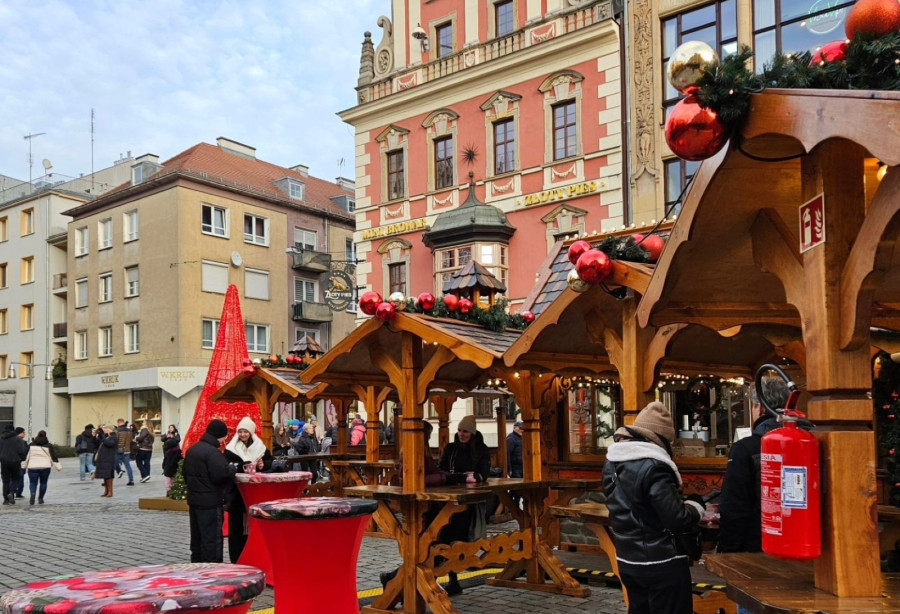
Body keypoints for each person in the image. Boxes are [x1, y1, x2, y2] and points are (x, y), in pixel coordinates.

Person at [602, 401, 704, 614]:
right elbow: (676, 518)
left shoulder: (612, 462)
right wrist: (696, 507)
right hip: (661, 562)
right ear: (661, 439)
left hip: (628, 559)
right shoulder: (654, 466)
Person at [718, 378, 790, 614]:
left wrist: (727, 554)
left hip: (755, 552)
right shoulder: (811, 441)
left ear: (758, 407)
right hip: (801, 549)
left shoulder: (746, 448)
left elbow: (734, 507)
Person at [436, 414, 491, 595]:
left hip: (468, 501)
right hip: (447, 498)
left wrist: (475, 477)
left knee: (458, 539)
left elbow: (484, 472)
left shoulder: (481, 449)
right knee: (442, 537)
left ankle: (452, 578)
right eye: (459, 430)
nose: (461, 434)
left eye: (465, 431)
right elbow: (441, 467)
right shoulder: (451, 448)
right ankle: (440, 578)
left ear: (472, 433)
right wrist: (453, 477)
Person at [184, 419, 236, 563]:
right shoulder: (213, 453)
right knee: (211, 538)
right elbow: (220, 475)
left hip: (194, 500)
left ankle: (197, 565)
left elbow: (185, 474)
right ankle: (212, 568)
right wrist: (231, 469)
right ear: (221, 435)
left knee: (197, 536)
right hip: (211, 503)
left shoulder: (192, 450)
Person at [223, 417, 272, 563]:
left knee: (254, 530)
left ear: (251, 432)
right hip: (238, 495)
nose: (243, 434)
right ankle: (237, 559)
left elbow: (270, 462)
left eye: (245, 431)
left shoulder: (260, 447)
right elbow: (227, 466)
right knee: (237, 530)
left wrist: (264, 465)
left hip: (256, 494)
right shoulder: (231, 449)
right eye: (240, 431)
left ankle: (254, 558)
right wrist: (241, 465)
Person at [23, 430, 61, 505]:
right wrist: (58, 466)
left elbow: (26, 456)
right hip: (45, 467)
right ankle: (40, 498)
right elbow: (53, 456)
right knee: (43, 483)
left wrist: (24, 465)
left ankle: (33, 494)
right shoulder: (48, 445)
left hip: (33, 467)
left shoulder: (31, 445)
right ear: (45, 436)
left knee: (33, 482)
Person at [0, 426, 28, 505]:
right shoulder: (18, 439)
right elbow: (22, 451)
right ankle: (12, 492)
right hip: (15, 461)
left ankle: (6, 500)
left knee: (5, 481)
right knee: (15, 478)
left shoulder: (1, 438)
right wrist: (22, 458)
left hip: (4, 462)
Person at [94, 424, 120, 498]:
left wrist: (102, 437)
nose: (104, 430)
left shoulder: (113, 437)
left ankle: (110, 492)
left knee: (108, 476)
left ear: (109, 429)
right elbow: (98, 443)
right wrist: (97, 435)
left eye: (105, 428)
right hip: (104, 458)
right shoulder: (107, 437)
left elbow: (109, 444)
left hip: (108, 458)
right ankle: (106, 491)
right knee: (105, 475)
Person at [115, 419, 135, 485]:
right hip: (127, 450)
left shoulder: (117, 431)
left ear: (118, 423)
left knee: (113, 462)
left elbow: (115, 440)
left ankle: (119, 471)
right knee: (128, 466)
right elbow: (131, 440)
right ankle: (131, 480)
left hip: (119, 450)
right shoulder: (129, 431)